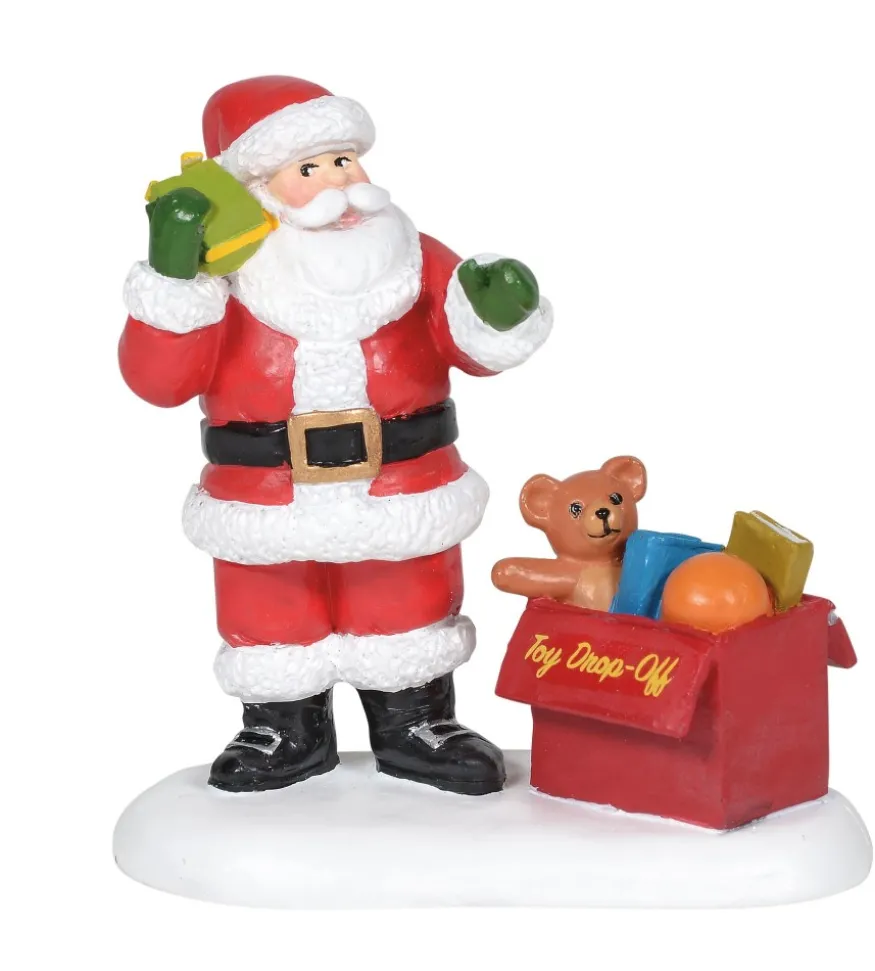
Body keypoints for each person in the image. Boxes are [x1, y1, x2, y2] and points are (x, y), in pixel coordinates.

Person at [119, 75, 552, 796]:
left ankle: (416, 720)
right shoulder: (220, 282)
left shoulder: (410, 256)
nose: (339, 185)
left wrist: (498, 308)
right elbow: (159, 380)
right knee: (273, 610)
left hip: (400, 484)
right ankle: (283, 726)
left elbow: (471, 339)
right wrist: (173, 275)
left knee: (404, 602)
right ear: (249, 189)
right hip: (267, 491)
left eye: (345, 161)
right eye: (310, 168)